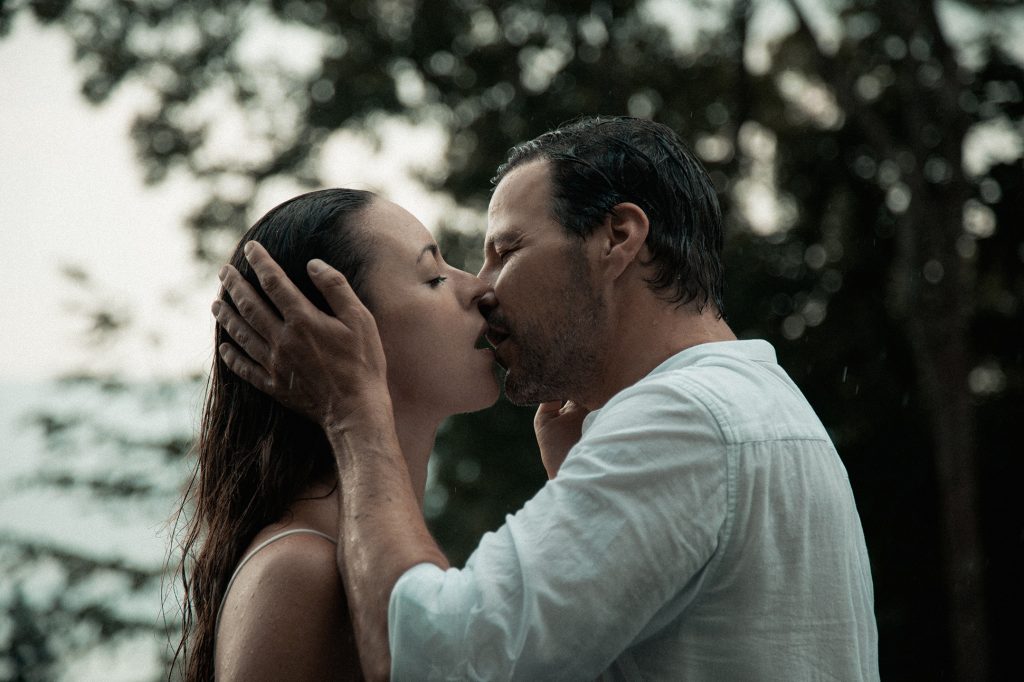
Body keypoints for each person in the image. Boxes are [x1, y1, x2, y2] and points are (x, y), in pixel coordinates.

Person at [216, 116, 880, 680]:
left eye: (506, 250)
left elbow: (437, 656)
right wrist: (581, 482)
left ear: (617, 237)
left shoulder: (685, 422)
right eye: (435, 276)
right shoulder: (757, 404)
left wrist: (356, 418)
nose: (482, 288)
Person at [173, 188, 503, 681]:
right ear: (327, 338)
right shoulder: (300, 571)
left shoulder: (364, 562)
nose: (479, 289)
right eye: (434, 277)